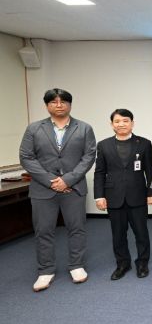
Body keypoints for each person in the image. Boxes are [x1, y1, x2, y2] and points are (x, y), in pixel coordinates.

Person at [19, 88, 96, 292]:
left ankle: (77, 265)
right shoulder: (34, 128)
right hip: (43, 188)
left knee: (77, 228)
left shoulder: (84, 128)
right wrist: (50, 180)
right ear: (47, 105)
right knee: (43, 230)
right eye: (54, 102)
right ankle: (46, 270)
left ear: (70, 104)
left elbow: (89, 157)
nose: (59, 105)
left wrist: (67, 180)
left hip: (74, 187)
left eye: (63, 101)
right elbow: (26, 157)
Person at [94, 109, 152, 280]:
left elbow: (150, 171)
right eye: (117, 121)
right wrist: (99, 196)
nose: (121, 124)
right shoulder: (103, 145)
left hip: (138, 195)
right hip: (113, 197)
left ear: (132, 123)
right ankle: (122, 263)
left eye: (125, 121)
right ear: (111, 124)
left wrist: (151, 192)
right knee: (118, 234)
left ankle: (142, 263)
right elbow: (99, 172)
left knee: (141, 232)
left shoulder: (144, 143)